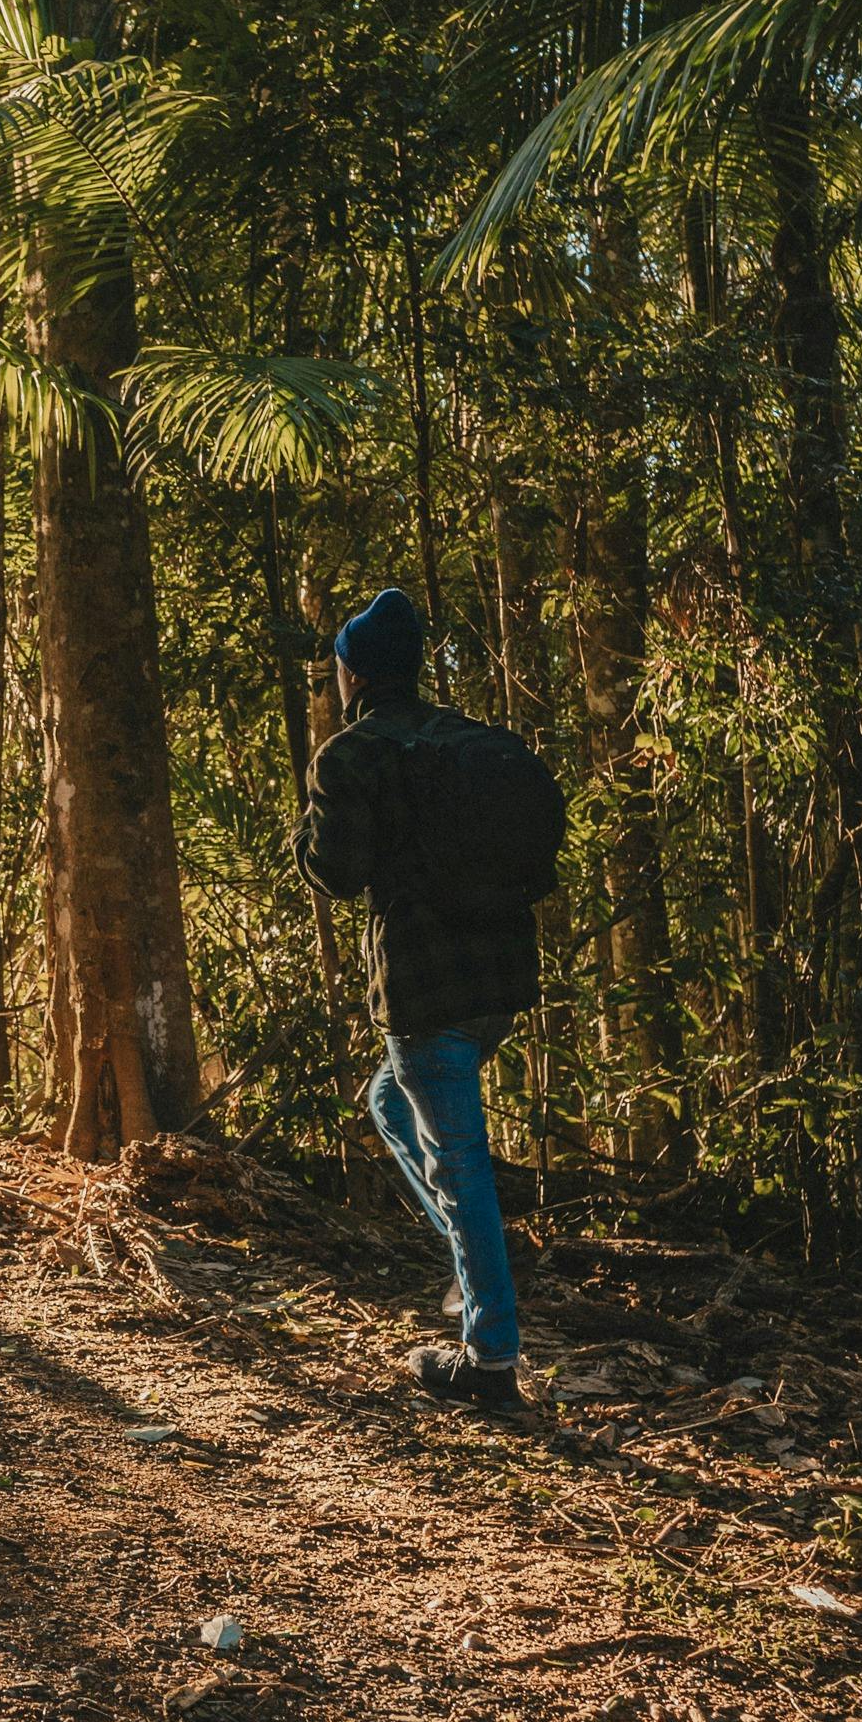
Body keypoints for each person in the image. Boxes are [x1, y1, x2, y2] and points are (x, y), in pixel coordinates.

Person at [295, 587, 566, 1407]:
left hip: (424, 986)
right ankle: (470, 1259)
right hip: (499, 982)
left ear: (353, 673)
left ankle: (489, 1359)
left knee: (458, 1161)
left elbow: (338, 873)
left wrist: (304, 830)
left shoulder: (350, 754)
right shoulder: (476, 740)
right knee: (388, 1100)